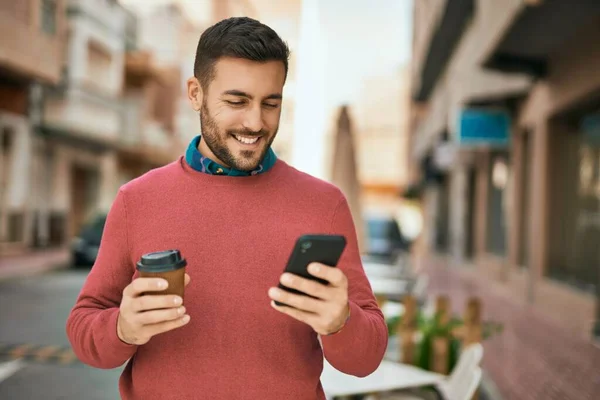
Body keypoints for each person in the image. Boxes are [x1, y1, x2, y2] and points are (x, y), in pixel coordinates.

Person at [66, 16, 387, 400]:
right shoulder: (137, 199)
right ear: (195, 93)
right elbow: (84, 326)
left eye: (271, 103)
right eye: (237, 101)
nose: (255, 122)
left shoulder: (325, 204)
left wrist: (340, 322)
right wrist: (122, 329)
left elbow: (367, 357)